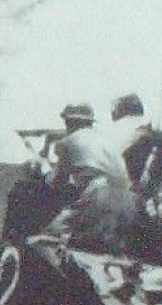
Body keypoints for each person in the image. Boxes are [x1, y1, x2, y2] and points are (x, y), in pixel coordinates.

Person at [44, 102, 140, 252]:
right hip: (128, 201)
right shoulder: (108, 141)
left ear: (70, 122)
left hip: (99, 195)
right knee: (101, 249)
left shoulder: (68, 141)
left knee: (49, 237)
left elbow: (57, 182)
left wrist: (46, 174)